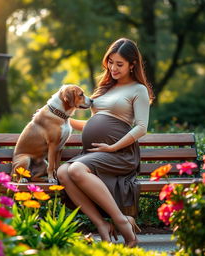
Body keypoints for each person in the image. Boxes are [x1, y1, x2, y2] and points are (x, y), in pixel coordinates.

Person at [56, 38, 154, 247]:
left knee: (76, 170)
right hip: (95, 153)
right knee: (63, 172)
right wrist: (57, 116)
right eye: (110, 62)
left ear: (132, 65)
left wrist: (113, 146)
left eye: (119, 64)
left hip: (120, 153)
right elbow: (93, 123)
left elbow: (141, 127)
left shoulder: (138, 90)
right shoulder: (105, 87)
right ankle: (101, 224)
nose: (113, 68)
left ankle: (121, 222)